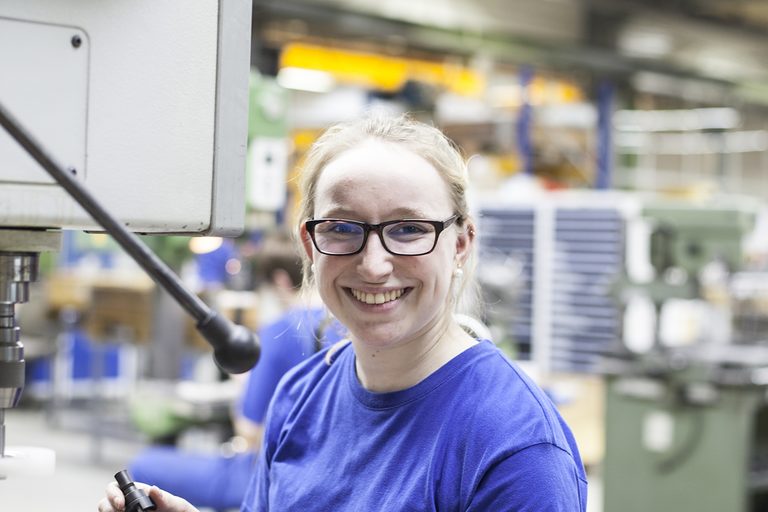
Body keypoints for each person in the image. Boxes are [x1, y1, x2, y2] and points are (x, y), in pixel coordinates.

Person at [99, 113, 588, 512]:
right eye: (341, 228)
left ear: (460, 244)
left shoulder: (515, 447)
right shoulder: (300, 396)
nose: (374, 265)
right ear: (310, 245)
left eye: (409, 229)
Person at [122, 230, 341, 511]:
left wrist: (242, 383)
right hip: (320, 473)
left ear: (279, 280)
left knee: (144, 465)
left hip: (264, 475)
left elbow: (249, 433)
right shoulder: (341, 329)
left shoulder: (279, 332)